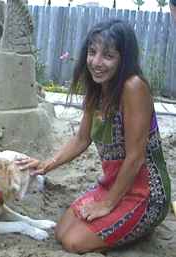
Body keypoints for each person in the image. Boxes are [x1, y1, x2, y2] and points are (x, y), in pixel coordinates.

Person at [16, 19, 171, 253]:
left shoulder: (134, 87)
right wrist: (46, 165)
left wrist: (107, 205)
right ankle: (123, 221)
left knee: (73, 242)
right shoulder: (97, 88)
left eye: (108, 56)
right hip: (112, 184)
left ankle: (142, 223)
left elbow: (135, 157)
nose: (96, 63)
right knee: (61, 231)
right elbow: (81, 139)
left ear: (124, 59)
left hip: (146, 194)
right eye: (92, 52)